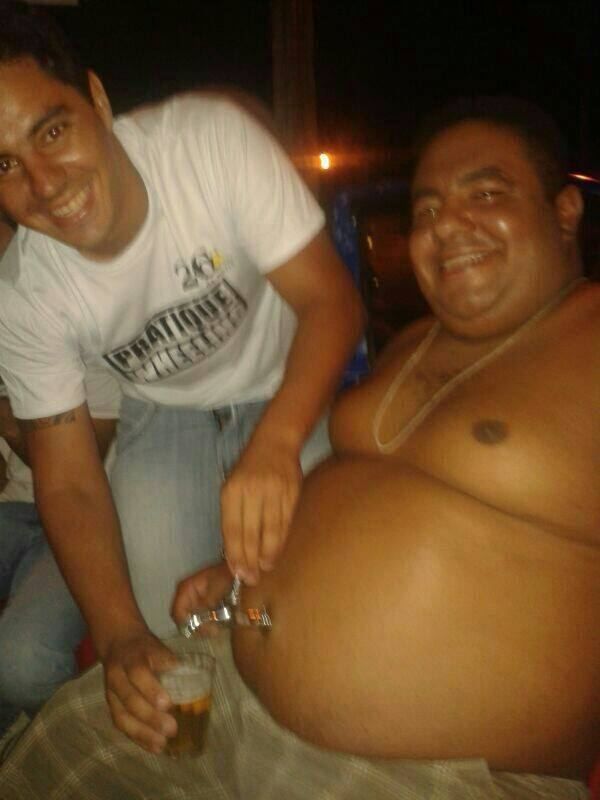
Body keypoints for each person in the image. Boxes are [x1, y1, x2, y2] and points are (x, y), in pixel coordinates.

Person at [0, 97, 597, 799]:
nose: (445, 225)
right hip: (242, 707)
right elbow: (374, 506)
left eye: (487, 195)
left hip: (424, 771)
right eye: (427, 209)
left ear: (565, 211)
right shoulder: (416, 345)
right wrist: (243, 579)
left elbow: (328, 306)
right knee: (50, 756)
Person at [0, 0, 365, 746]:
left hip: (285, 380)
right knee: (173, 638)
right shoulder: (25, 292)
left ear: (97, 99)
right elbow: (66, 480)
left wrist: (276, 442)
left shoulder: (208, 144)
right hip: (160, 413)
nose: (43, 182)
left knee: (314, 608)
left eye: (53, 131)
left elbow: (332, 302)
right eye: (3, 165)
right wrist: (117, 635)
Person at [0, 220, 121, 736]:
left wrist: (4, 414)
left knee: (23, 662)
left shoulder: (66, 294)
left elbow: (84, 459)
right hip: (13, 510)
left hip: (90, 514)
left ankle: (80, 754)